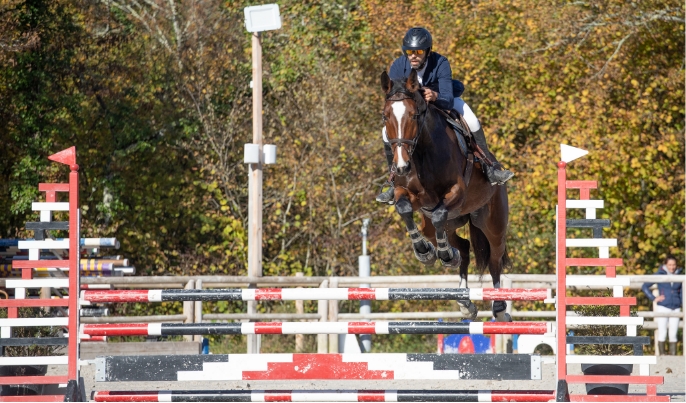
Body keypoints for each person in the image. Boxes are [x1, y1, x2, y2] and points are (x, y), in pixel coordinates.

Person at [377, 27, 514, 204]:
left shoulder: (440, 62)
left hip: (441, 100)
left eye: (418, 51)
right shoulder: (398, 66)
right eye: (410, 52)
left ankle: (490, 167)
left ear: (427, 51)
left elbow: (448, 99)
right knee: (384, 133)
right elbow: (395, 96)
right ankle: (393, 179)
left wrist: (435, 96)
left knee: (471, 120)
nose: (413, 56)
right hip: (413, 111)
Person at [642, 255, 683, 355]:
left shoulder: (680, 275)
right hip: (663, 306)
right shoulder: (660, 274)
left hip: (676, 307)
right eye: (670, 265)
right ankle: (662, 356)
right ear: (665, 265)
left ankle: (673, 356)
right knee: (662, 332)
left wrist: (681, 302)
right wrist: (654, 298)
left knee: (673, 334)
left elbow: (681, 292)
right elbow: (645, 286)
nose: (672, 267)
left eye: (674, 265)